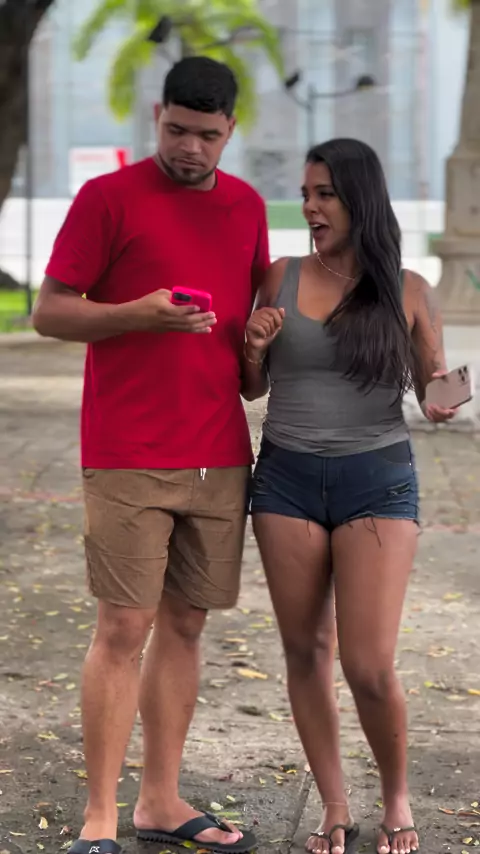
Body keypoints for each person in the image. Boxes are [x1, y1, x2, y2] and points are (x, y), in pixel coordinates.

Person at [33, 56, 269, 854]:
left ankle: (160, 802)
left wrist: (260, 349)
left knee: (188, 624)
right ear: (156, 117)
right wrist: (136, 313)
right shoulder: (107, 198)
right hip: (128, 447)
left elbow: (245, 345)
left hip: (220, 450)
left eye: (207, 135)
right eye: (176, 130)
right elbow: (49, 313)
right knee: (122, 626)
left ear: (230, 130)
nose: (190, 148)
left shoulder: (247, 207)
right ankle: (100, 815)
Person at [242, 138, 455, 854]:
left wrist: (447, 395)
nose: (309, 207)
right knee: (305, 650)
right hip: (286, 481)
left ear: (360, 199)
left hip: (377, 481)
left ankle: (396, 799)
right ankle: (334, 805)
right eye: (306, 193)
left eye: (324, 194)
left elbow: (433, 384)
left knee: (368, 663)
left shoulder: (408, 288)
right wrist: (252, 347)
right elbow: (252, 388)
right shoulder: (280, 276)